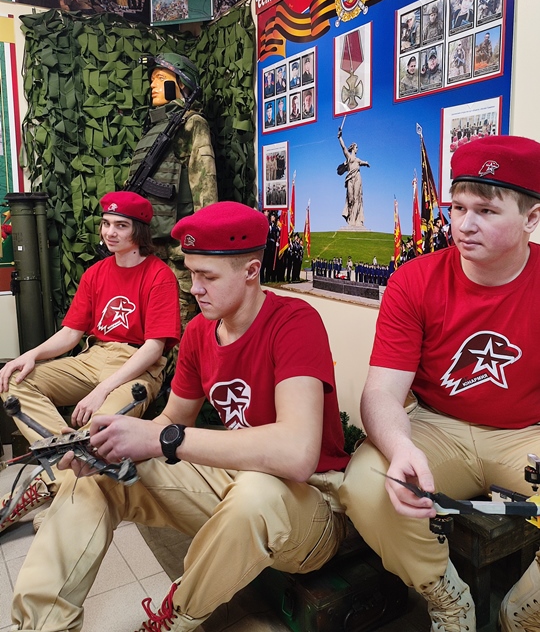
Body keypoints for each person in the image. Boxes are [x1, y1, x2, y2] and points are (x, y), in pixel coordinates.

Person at [9, 201, 350, 632]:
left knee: (257, 494)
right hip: (237, 480)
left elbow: (296, 454)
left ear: (251, 271)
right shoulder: (200, 332)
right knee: (98, 473)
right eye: (190, 274)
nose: (194, 289)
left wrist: (164, 439)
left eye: (208, 276)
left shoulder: (294, 322)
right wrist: (110, 444)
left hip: (311, 502)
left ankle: (175, 618)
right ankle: (41, 625)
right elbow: (171, 420)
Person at [340, 135, 540, 631]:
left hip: (526, 434)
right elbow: (381, 392)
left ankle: (525, 611)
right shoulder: (414, 280)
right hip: (436, 425)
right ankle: (447, 598)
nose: (464, 225)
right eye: (458, 208)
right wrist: (399, 447)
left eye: (486, 211)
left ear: (531, 218)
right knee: (368, 484)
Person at [0, 191, 181, 532]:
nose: (110, 232)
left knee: (100, 429)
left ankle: (55, 491)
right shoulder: (96, 273)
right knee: (16, 382)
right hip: (94, 355)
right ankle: (63, 471)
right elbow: (71, 334)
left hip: (136, 364)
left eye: (121, 226)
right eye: (106, 223)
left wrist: (102, 390)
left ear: (139, 231)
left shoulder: (159, 275)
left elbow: (154, 348)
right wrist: (30, 356)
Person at [127, 53, 217, 329]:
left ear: (181, 84)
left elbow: (205, 184)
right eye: (152, 79)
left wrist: (203, 246)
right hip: (152, 247)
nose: (152, 85)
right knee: (154, 323)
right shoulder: (153, 130)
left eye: (160, 78)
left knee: (181, 325)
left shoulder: (191, 123)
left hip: (180, 251)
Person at [337, 126, 370, 227]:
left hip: (357, 177)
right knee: (350, 199)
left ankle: (355, 221)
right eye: (356, 147)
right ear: (353, 148)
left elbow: (363, 162)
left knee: (357, 198)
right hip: (350, 178)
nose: (357, 149)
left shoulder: (358, 160)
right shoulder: (349, 157)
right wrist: (340, 138)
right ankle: (350, 217)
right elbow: (343, 148)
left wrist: (366, 163)